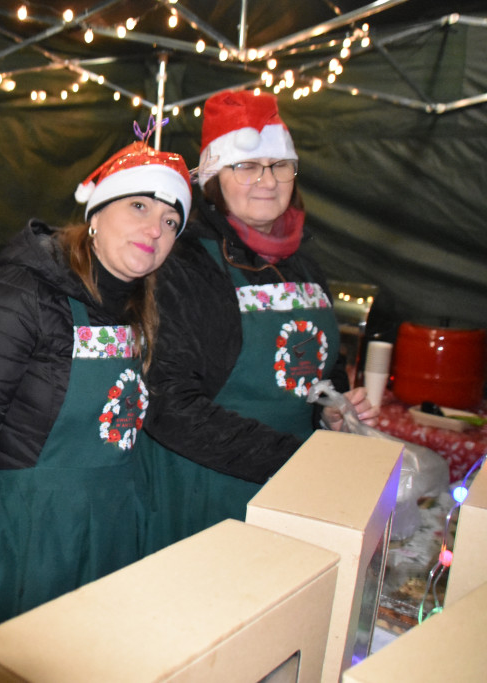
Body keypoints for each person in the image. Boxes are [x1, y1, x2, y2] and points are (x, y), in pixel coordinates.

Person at [0, 123, 192, 646]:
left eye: (170, 220)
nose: (155, 230)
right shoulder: (19, 293)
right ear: (96, 215)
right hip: (29, 541)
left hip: (113, 535)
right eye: (138, 207)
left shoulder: (143, 306)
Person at [141, 90, 378, 553]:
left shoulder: (302, 259)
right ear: (214, 178)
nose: (266, 180)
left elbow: (322, 369)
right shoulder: (186, 261)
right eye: (246, 166)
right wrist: (294, 457)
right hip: (205, 493)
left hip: (291, 491)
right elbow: (168, 402)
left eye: (278, 165)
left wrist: (330, 409)